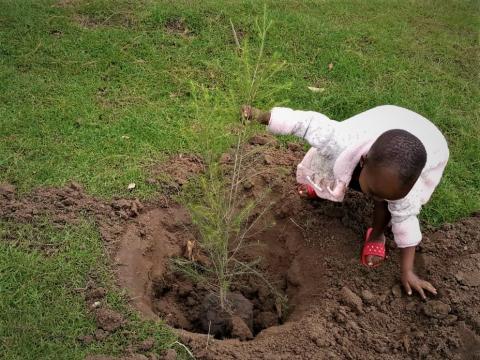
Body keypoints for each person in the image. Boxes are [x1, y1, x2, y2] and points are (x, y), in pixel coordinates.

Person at [241, 104, 449, 299]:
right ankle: (324, 185)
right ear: (363, 160)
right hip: (385, 119)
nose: (374, 199)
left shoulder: (407, 188)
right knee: (331, 161)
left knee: (391, 207)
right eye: (374, 191)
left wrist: (408, 271)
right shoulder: (340, 140)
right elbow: (306, 123)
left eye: (385, 194)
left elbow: (406, 221)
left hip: (429, 142)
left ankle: (376, 235)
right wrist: (262, 116)